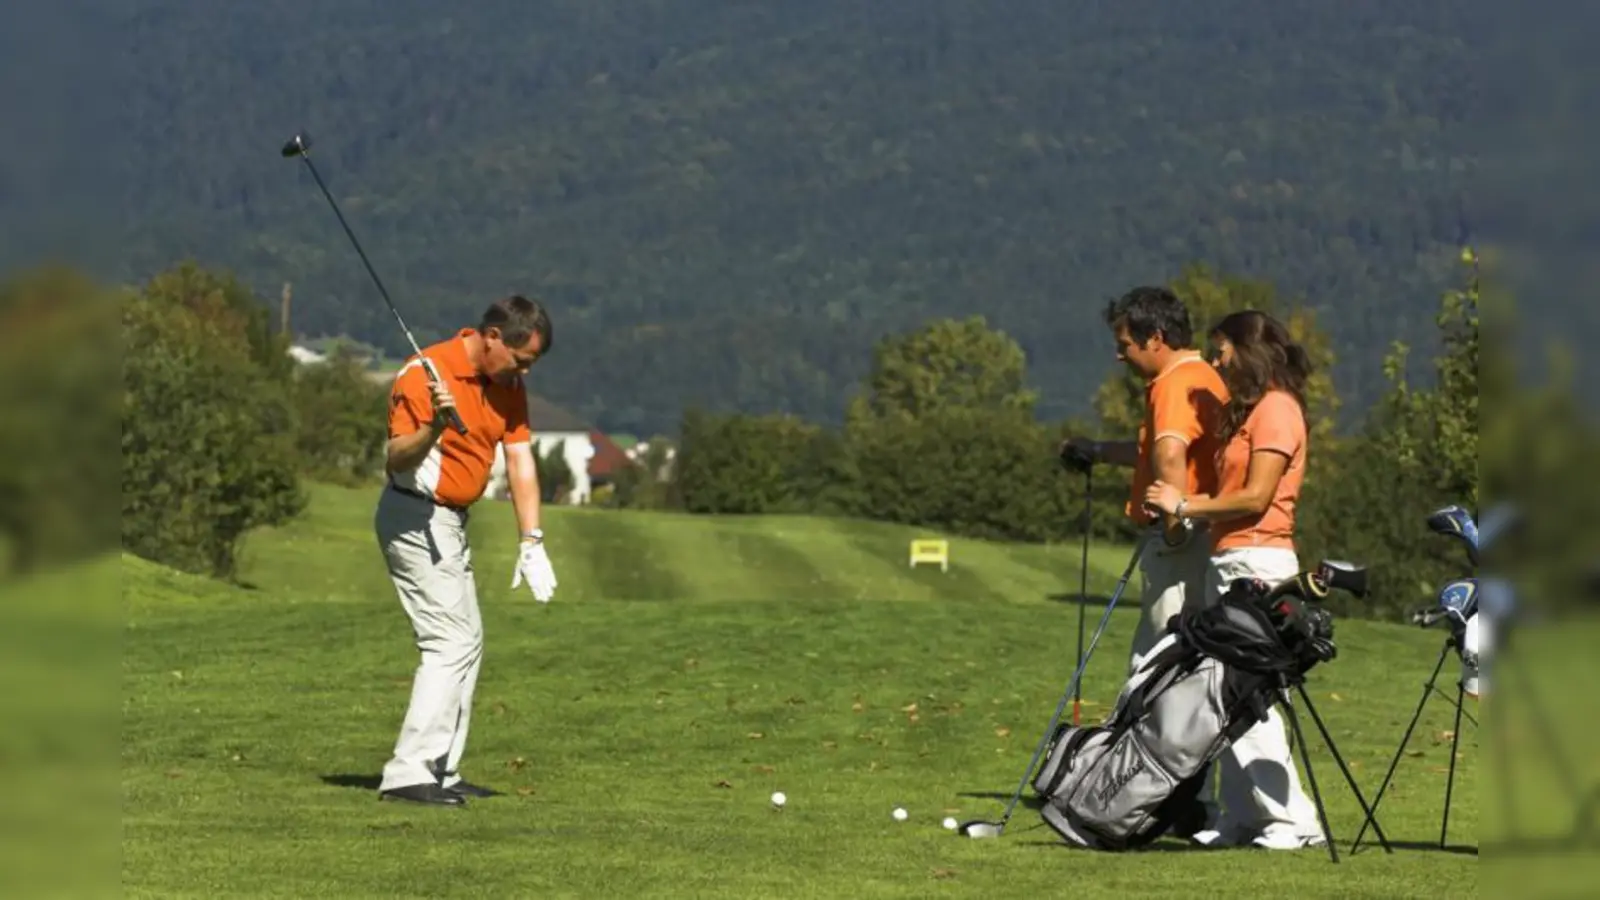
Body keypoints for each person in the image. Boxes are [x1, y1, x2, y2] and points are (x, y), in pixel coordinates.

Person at [1143, 308, 1326, 850]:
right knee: (1224, 695)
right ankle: (1243, 816)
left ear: (1248, 351)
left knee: (1252, 695)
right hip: (1232, 559)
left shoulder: (1277, 410)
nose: (1217, 365)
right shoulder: (1249, 412)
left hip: (1259, 563)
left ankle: (1293, 821)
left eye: (1221, 353)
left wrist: (1186, 504)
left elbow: (1256, 497)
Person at [375, 295, 561, 807]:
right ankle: (408, 772)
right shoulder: (424, 373)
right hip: (412, 514)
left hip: (452, 521)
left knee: (469, 641)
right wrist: (434, 425)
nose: (522, 372)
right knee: (449, 641)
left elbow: (520, 461)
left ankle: (442, 769)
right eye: (521, 360)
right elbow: (395, 457)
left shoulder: (510, 386)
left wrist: (532, 541)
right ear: (494, 337)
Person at [1060, 286, 1229, 676]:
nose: (1120, 356)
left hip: (1183, 540)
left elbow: (1169, 456)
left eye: (1125, 345)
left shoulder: (1173, 385)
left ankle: (1154, 738)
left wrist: (1172, 532)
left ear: (1155, 338)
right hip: (1205, 530)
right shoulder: (1203, 376)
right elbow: (1152, 453)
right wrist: (1099, 451)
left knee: (1158, 661)